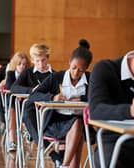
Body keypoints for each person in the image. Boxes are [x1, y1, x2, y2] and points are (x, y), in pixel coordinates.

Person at [25, 39, 93, 168]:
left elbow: (98, 97)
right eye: (73, 68)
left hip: (81, 122)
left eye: (80, 70)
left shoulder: (90, 79)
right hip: (56, 122)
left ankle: (65, 165)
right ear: (69, 63)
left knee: (78, 124)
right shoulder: (57, 77)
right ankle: (66, 165)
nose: (75, 73)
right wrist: (53, 97)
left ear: (86, 69)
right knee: (78, 127)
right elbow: (34, 95)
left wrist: (82, 98)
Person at [88, 50, 134, 168]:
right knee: (112, 161)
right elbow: (96, 111)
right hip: (112, 139)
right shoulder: (104, 69)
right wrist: (130, 111)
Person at [8, 43, 54, 151]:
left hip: (49, 111)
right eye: (37, 61)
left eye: (43, 60)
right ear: (33, 60)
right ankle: (47, 148)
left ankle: (51, 148)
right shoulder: (27, 73)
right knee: (27, 113)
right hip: (32, 110)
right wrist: (31, 91)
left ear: (48, 58)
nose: (41, 64)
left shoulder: (54, 75)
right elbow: (14, 87)